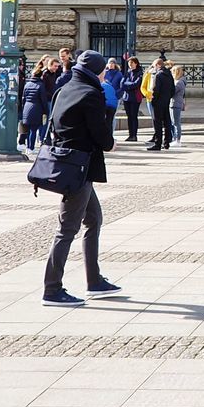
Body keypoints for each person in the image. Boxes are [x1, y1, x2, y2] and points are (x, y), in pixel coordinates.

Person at [42, 50, 122, 307]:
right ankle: (52, 289)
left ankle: (94, 280)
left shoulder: (65, 89)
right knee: (67, 229)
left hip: (71, 164)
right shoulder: (91, 95)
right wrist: (111, 143)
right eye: (102, 71)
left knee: (94, 219)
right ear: (96, 71)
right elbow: (101, 135)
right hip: (79, 168)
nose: (104, 75)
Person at [19, 56, 51, 151]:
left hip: (27, 108)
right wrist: (46, 111)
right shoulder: (40, 85)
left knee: (28, 130)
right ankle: (31, 148)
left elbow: (23, 98)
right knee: (34, 130)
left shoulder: (27, 84)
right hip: (36, 108)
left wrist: (24, 107)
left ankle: (28, 146)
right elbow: (43, 100)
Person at [146, 58, 175, 152]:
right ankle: (166, 142)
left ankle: (158, 143)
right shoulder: (169, 74)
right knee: (167, 122)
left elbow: (156, 90)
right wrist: (167, 98)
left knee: (157, 123)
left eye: (154, 66)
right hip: (166, 101)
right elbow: (173, 89)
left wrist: (154, 99)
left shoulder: (158, 75)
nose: (153, 68)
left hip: (158, 102)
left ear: (158, 65)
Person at [119, 57, 143, 142]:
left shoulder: (139, 73)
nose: (130, 64)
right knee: (129, 117)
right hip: (127, 97)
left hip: (135, 98)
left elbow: (136, 84)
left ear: (136, 63)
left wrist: (128, 85)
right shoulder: (128, 72)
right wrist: (129, 85)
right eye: (129, 63)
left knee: (133, 116)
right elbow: (122, 84)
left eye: (132, 63)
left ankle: (134, 135)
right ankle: (130, 134)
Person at [102, 58, 124, 131]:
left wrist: (116, 94)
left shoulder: (119, 74)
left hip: (115, 97)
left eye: (112, 63)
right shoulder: (105, 72)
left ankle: (112, 133)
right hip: (105, 97)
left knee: (112, 116)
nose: (111, 65)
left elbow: (121, 86)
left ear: (115, 65)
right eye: (110, 63)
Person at [170, 64, 186, 147]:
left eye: (173, 72)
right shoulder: (178, 81)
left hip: (175, 103)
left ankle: (177, 140)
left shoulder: (179, 82)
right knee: (174, 122)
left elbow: (172, 92)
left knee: (176, 123)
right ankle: (175, 138)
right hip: (174, 103)